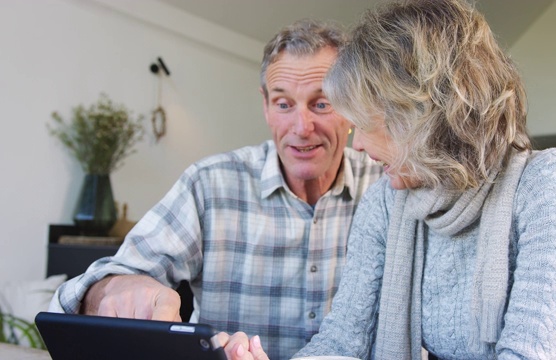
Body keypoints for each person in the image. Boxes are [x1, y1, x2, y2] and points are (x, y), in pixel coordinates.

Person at [221, 0, 556, 359]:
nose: (356, 147)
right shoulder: (385, 203)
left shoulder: (555, 187)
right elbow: (341, 342)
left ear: (421, 117)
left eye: (368, 122)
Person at [48, 19, 383, 360]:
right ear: (266, 105)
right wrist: (112, 290)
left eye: (321, 104)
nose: (301, 127)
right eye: (283, 104)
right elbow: (89, 288)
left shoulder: (386, 185)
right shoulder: (210, 185)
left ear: (351, 106)